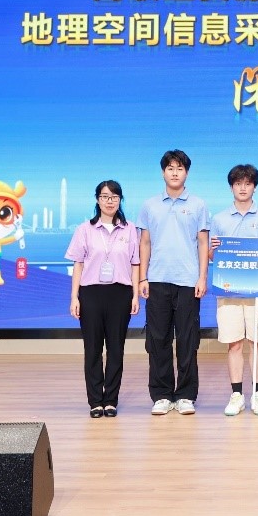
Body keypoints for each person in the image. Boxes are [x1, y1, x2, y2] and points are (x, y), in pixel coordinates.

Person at [138, 150, 210, 416]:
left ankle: (186, 395)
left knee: (188, 340)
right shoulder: (150, 205)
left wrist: (202, 277)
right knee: (158, 339)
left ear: (187, 173)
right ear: (163, 172)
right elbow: (145, 243)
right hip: (157, 279)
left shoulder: (199, 204)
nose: (175, 172)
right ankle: (161, 394)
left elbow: (203, 243)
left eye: (180, 168)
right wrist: (143, 277)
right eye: (170, 168)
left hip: (188, 281)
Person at [65, 180, 140, 418]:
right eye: (105, 196)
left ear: (120, 200)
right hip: (91, 293)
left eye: (114, 197)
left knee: (116, 349)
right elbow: (78, 265)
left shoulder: (130, 229)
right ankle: (95, 401)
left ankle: (111, 401)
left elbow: (135, 264)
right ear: (97, 200)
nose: (110, 201)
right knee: (93, 349)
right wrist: (74, 297)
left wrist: (135, 295)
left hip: (120, 293)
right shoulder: (85, 229)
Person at [208, 164, 258, 417]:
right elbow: (211, 255)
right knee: (234, 343)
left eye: (248, 183)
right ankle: (236, 395)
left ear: (254, 187)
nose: (243, 188)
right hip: (229, 292)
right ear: (231, 187)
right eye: (238, 184)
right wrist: (214, 250)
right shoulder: (219, 219)